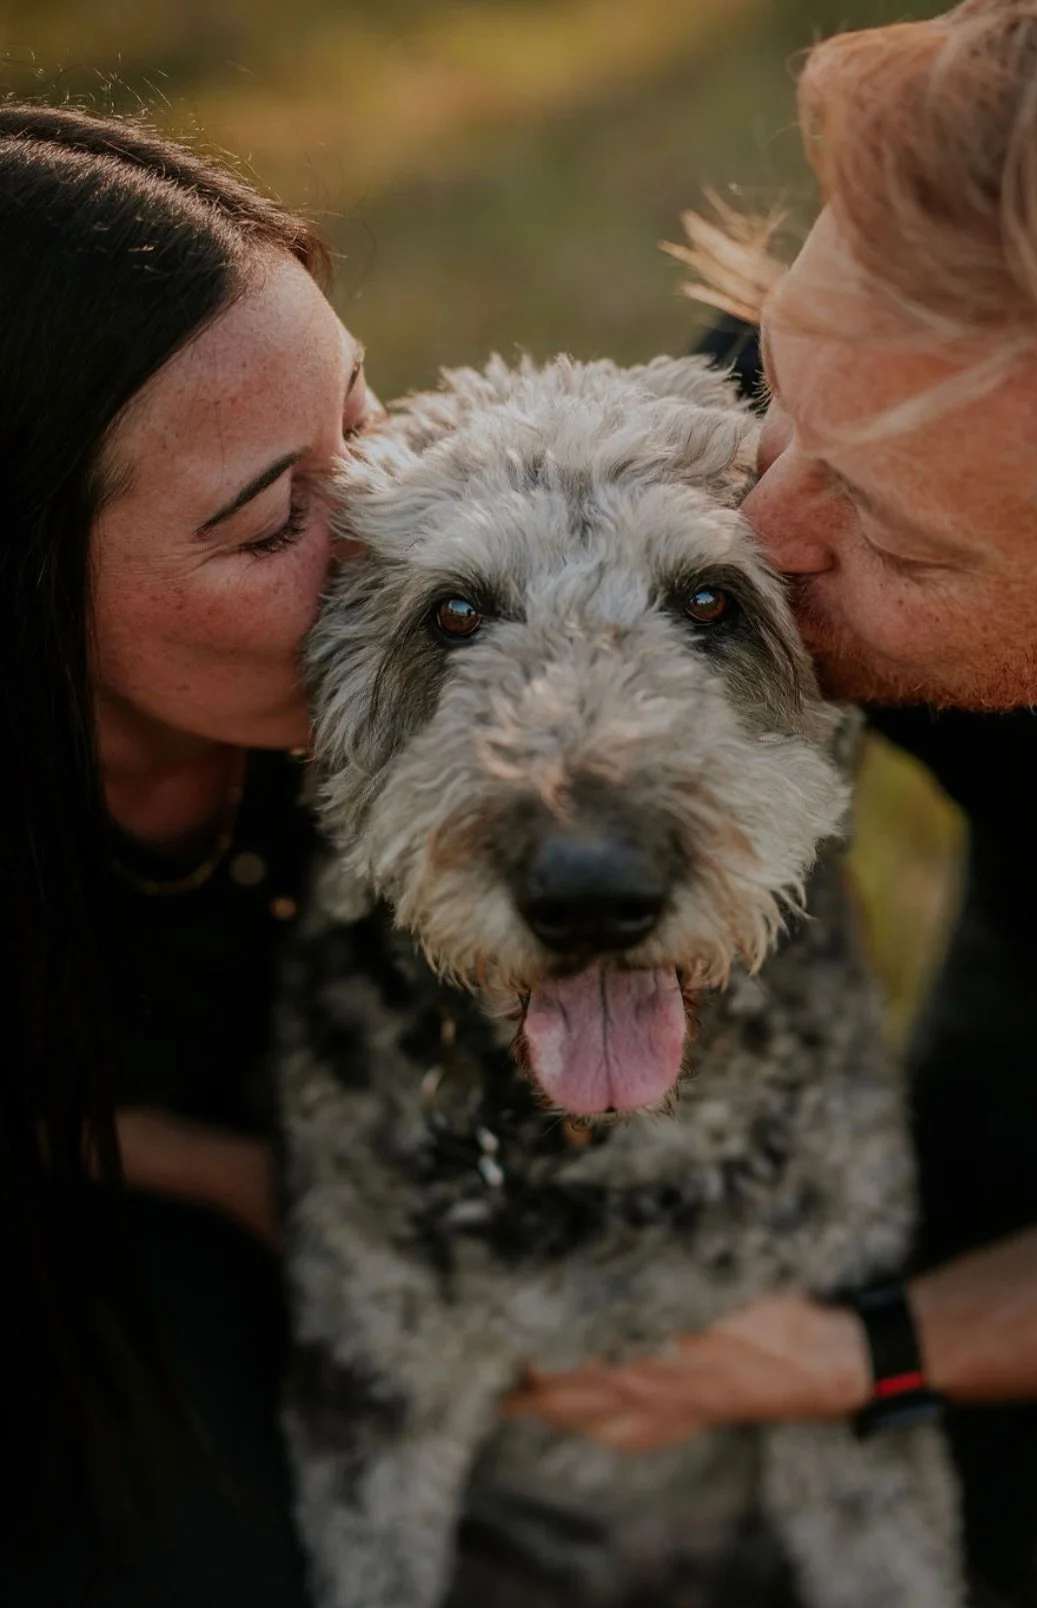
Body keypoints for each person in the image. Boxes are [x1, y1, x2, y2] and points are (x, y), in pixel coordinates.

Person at [504, 1, 1037, 1597]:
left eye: (895, 536)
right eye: (783, 397)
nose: (756, 521)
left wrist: (863, 1353)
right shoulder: (842, 408)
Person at [0, 102, 374, 1605]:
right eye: (278, 513)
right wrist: (230, 1180)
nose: (392, 525)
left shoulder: (447, 625)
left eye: (367, 412)